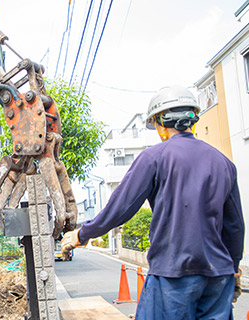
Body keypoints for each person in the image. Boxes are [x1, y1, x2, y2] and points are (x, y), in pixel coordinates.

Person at [61, 85, 244, 319]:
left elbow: (121, 207)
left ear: (161, 123)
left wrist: (82, 234)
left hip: (173, 275)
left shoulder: (154, 157)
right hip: (218, 277)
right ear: (193, 119)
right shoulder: (224, 163)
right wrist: (233, 268)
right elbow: (235, 226)